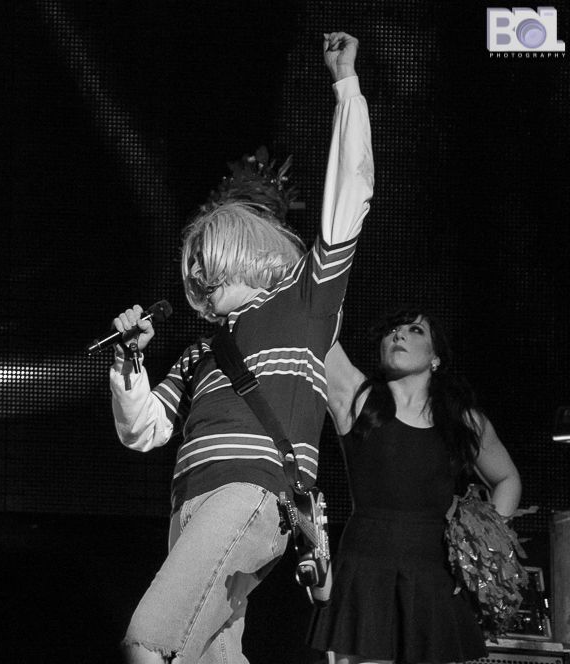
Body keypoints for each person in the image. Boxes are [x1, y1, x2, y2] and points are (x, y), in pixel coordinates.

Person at [108, 32, 373, 664]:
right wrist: (130, 363)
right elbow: (144, 431)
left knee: (149, 643)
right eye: (194, 270)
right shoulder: (201, 354)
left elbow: (349, 196)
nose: (201, 278)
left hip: (253, 492)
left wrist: (346, 87)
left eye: (211, 262)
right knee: (212, 656)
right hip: (192, 506)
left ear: (249, 251)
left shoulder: (305, 303)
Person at [309, 311, 522, 664]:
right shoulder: (357, 399)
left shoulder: (464, 420)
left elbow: (507, 479)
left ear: (435, 357)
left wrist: (485, 547)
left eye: (414, 329)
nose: (398, 335)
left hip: (434, 574)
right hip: (365, 570)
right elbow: (316, 323)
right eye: (392, 330)